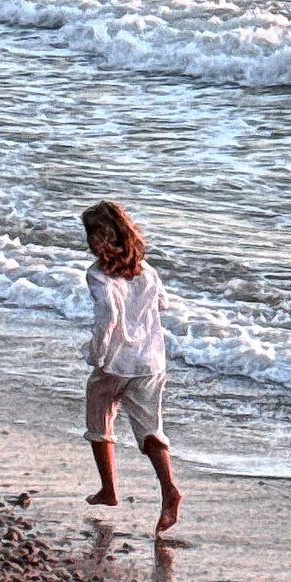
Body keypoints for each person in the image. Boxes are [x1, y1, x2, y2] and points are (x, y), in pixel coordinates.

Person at [81, 199, 182, 535]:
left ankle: (109, 489)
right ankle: (169, 489)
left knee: (99, 415)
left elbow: (108, 315)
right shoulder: (147, 270)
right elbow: (164, 303)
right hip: (151, 362)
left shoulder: (97, 275)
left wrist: (97, 353)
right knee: (151, 430)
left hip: (117, 362)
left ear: (98, 238)